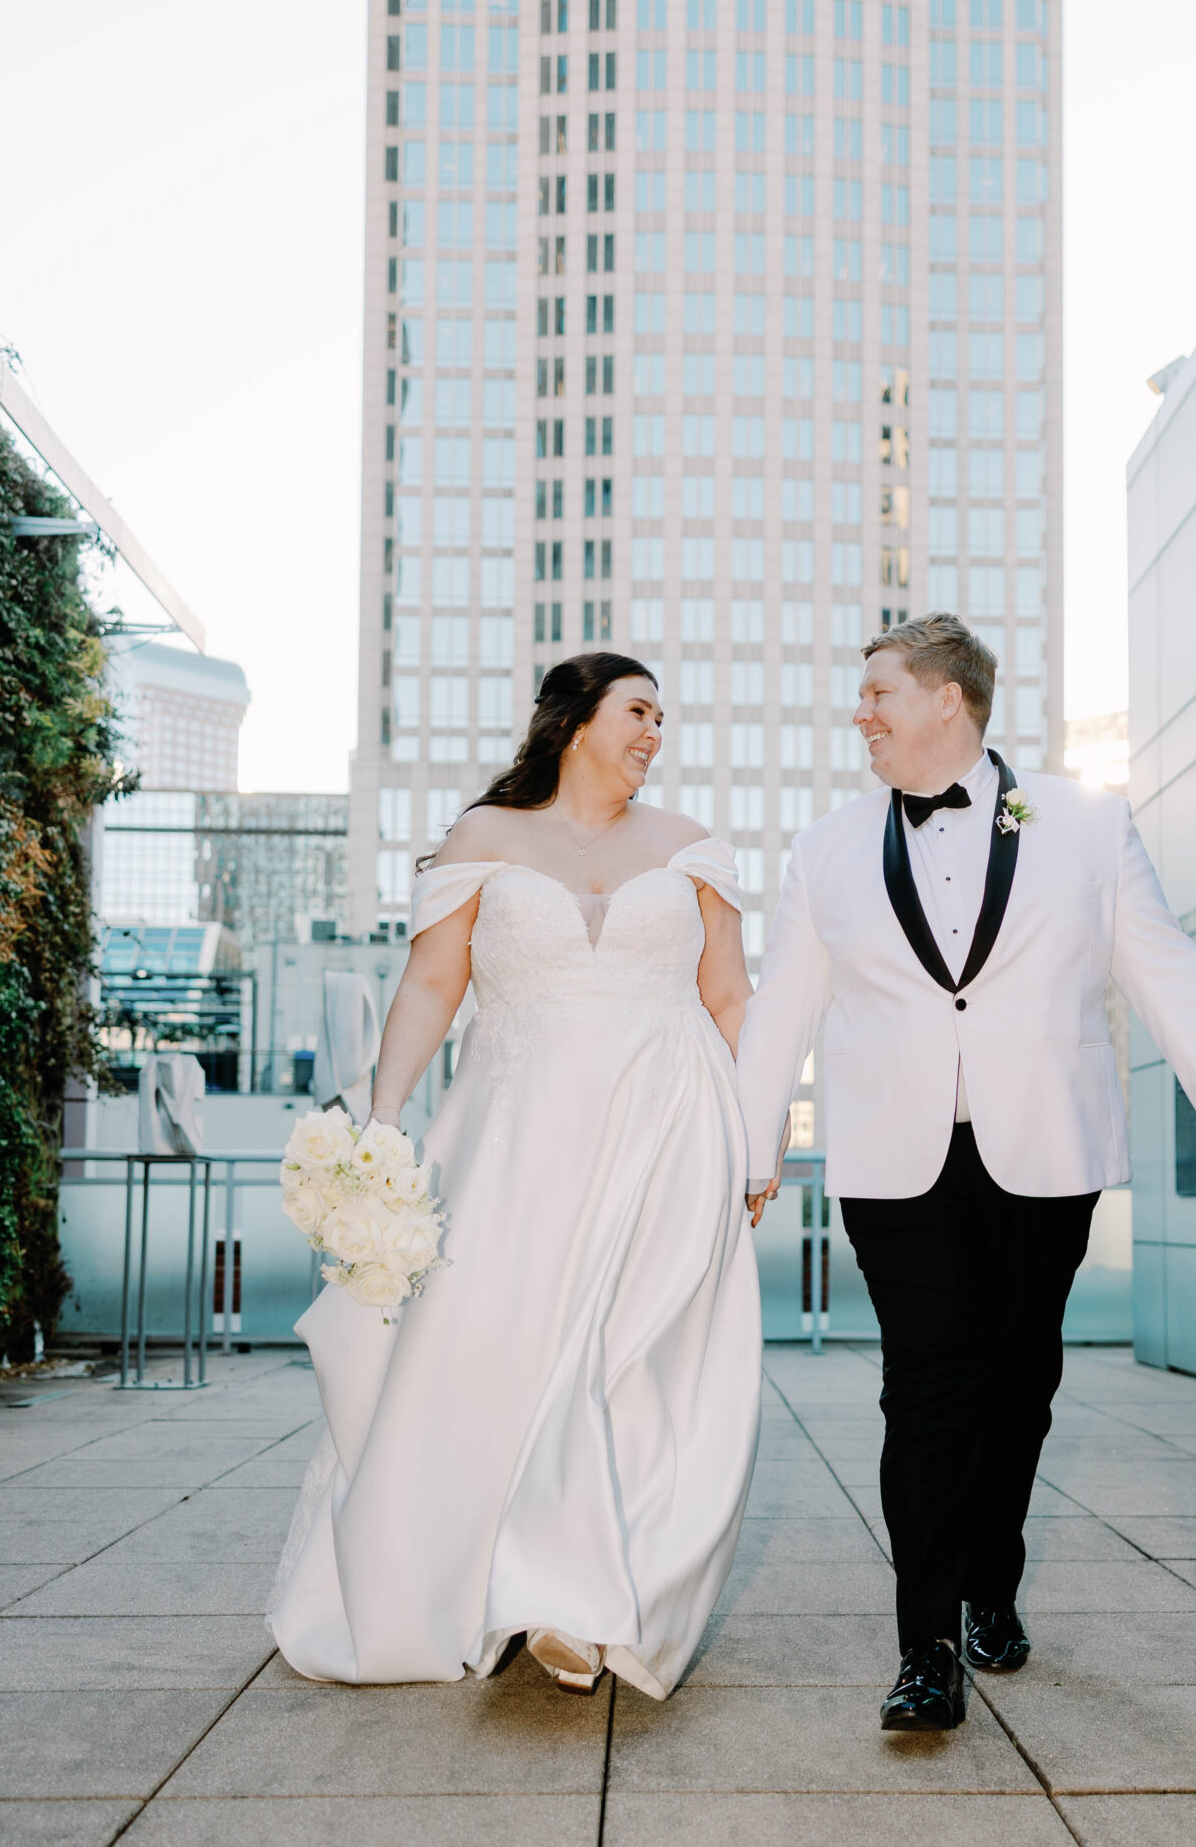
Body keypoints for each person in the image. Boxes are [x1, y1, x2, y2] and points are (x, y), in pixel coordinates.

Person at [737, 613, 1196, 1732]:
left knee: (1020, 1386)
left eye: (880, 692)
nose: (863, 713)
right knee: (927, 1388)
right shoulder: (825, 846)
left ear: (950, 698)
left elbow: (1165, 971)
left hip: (1046, 1150)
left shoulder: (1085, 821)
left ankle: (994, 1581)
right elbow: (782, 1007)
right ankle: (927, 1645)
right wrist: (751, 1147)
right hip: (897, 1162)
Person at [269, 652, 764, 1701]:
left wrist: (751, 1137)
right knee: (510, 1348)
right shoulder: (484, 840)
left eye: (662, 719)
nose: (654, 734)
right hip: (518, 1133)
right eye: (638, 711)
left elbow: (730, 998)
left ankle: (579, 1599)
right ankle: (503, 1573)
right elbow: (434, 982)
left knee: (629, 1352)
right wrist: (385, 1118)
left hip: (669, 1128)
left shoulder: (692, 849)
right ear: (577, 719)